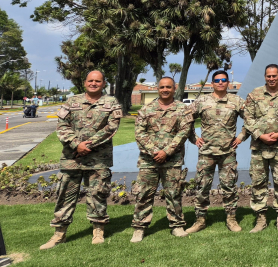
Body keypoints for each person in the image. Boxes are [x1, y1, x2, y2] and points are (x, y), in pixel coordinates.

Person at [39, 71, 122, 249]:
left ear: (103, 83)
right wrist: (77, 145)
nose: (94, 83)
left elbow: (112, 127)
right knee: (65, 195)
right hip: (72, 158)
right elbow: (61, 125)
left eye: (97, 81)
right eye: (90, 80)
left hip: (99, 158)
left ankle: (98, 230)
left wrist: (88, 145)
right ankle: (59, 234)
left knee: (98, 194)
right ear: (85, 82)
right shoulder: (71, 101)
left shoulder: (111, 102)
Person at [130, 77, 193, 242]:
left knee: (174, 193)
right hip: (148, 160)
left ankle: (177, 225)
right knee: (144, 193)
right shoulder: (147, 109)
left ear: (174, 89)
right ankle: (139, 227)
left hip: (172, 160)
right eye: (162, 87)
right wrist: (154, 151)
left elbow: (184, 132)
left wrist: (166, 151)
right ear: (158, 89)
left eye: (169, 87)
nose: (165, 89)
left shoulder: (182, 109)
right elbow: (139, 133)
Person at [185, 70, 249, 234]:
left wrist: (241, 137)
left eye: (223, 80)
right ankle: (200, 220)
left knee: (229, 187)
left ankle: (231, 219)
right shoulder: (202, 101)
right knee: (202, 187)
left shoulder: (236, 101)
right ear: (212, 83)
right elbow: (186, 118)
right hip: (206, 153)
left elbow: (251, 120)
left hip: (228, 153)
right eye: (217, 80)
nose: (220, 82)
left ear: (228, 83)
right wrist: (194, 138)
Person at [244, 64, 278, 233]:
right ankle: (261, 219)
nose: (271, 78)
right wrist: (260, 135)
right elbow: (248, 118)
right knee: (258, 183)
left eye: (274, 76)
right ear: (265, 77)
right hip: (259, 146)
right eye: (268, 76)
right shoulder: (255, 94)